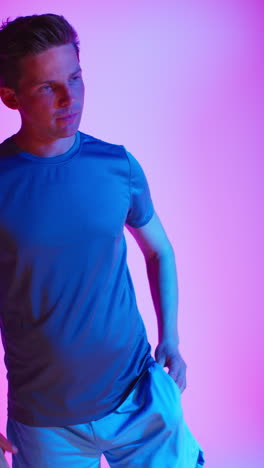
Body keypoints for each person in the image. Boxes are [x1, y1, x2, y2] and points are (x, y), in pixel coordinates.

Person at [0, 13, 205, 468]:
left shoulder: (117, 165)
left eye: (75, 77)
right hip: (47, 423)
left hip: (140, 400)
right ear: (10, 97)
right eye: (47, 87)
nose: (69, 98)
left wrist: (170, 338)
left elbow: (160, 250)